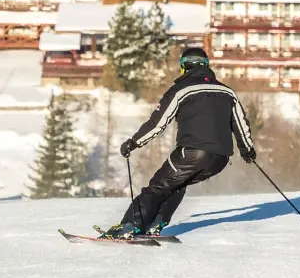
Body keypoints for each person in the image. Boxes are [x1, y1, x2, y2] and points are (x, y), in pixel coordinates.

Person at [102, 47, 256, 239]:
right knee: (176, 185)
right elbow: (241, 124)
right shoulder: (227, 92)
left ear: (185, 67)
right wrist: (247, 151)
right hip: (221, 158)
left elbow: (157, 123)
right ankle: (155, 224)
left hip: (192, 153)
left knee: (157, 187)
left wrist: (134, 142)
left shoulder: (181, 90)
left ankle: (129, 226)